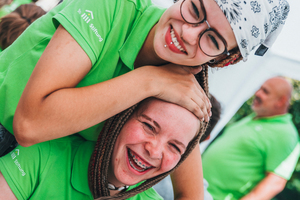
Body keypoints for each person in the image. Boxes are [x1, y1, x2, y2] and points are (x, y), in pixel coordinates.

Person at [0, 0, 289, 199]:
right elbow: (30, 125)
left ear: (223, 60)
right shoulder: (111, 7)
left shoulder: (186, 86)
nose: (188, 34)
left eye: (212, 40)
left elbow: (191, 194)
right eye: (195, 9)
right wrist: (148, 81)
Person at [0, 97, 203, 200]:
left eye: (175, 146)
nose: (154, 150)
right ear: (120, 118)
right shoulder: (42, 152)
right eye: (149, 126)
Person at [202, 77, 300, 200]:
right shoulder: (255, 117)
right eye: (259, 88)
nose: (257, 93)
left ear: (281, 101)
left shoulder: (286, 134)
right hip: (197, 189)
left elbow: (275, 183)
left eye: (265, 91)